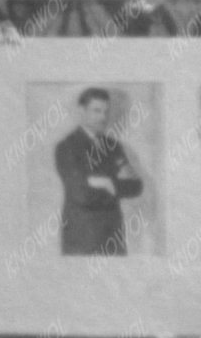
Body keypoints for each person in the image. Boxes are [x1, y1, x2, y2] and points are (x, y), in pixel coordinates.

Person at [54, 88, 144, 256]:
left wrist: (106, 183)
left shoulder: (114, 146)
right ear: (82, 111)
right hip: (82, 238)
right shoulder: (66, 147)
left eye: (106, 111)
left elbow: (136, 186)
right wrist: (117, 186)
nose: (103, 117)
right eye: (97, 111)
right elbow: (80, 193)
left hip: (113, 235)